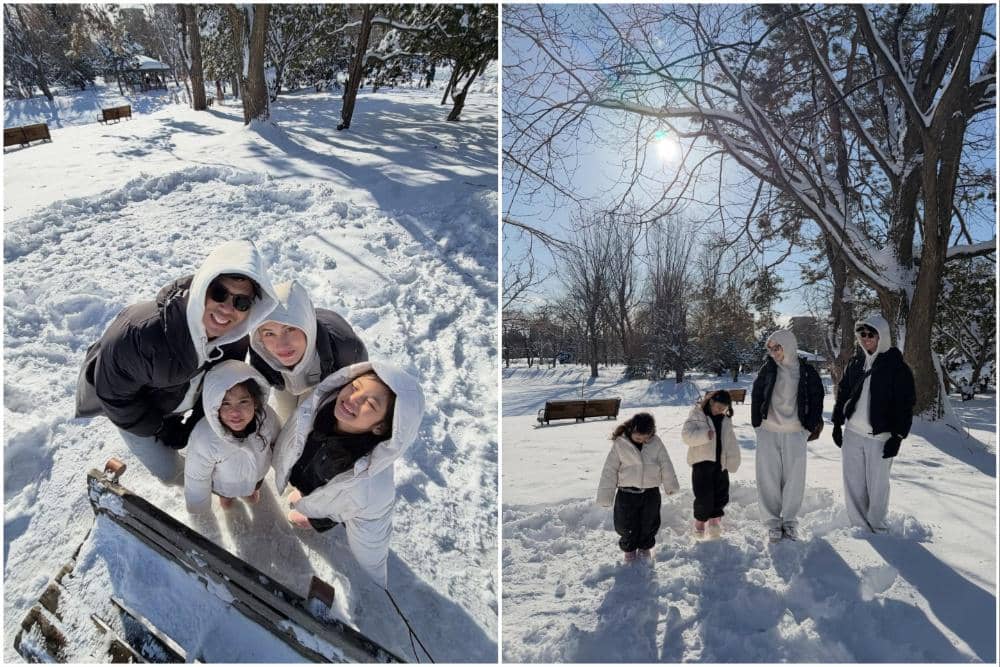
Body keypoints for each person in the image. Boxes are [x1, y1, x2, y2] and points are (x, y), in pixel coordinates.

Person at [75, 240, 278, 449]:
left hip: (178, 402)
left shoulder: (235, 338)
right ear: (203, 286)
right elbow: (115, 398)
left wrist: (196, 420)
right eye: (219, 293)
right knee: (168, 472)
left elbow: (220, 383)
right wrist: (160, 428)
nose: (226, 309)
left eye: (241, 302)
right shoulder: (139, 336)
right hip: (141, 415)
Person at [271, 361, 424, 587]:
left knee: (329, 506)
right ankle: (304, 493)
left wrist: (374, 569)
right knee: (307, 486)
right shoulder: (318, 408)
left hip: (334, 500)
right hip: (309, 472)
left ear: (380, 427)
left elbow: (372, 523)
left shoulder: (368, 477)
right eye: (355, 387)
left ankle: (314, 517)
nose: (353, 399)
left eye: (369, 404)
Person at [831, 315, 916, 533]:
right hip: (853, 433)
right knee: (853, 483)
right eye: (862, 334)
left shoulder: (897, 368)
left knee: (877, 486)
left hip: (880, 437)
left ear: (882, 336)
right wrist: (837, 423)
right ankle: (858, 526)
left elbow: (905, 405)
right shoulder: (856, 363)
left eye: (871, 334)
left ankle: (877, 526)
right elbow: (844, 393)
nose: (866, 339)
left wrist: (897, 437)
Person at [249, 280, 368, 423]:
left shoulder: (345, 352)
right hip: (287, 381)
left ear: (307, 326)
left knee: (307, 420)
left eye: (290, 329)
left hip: (325, 374)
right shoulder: (261, 353)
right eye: (269, 334)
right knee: (286, 413)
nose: (281, 345)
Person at [751, 330, 825, 542]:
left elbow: (817, 399)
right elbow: (757, 395)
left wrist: (808, 429)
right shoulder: (768, 370)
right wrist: (758, 425)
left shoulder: (807, 372)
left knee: (794, 479)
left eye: (778, 348)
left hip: (795, 433)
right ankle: (772, 522)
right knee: (768, 478)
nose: (774, 353)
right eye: (771, 349)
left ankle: (790, 521)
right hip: (768, 431)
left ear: (788, 346)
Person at [184, 361, 280, 513]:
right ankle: (226, 497)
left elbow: (277, 443)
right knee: (226, 498)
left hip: (257, 474)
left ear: (255, 402)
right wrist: (198, 506)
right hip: (224, 484)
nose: (235, 412)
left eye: (243, 401)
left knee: (253, 490)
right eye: (226, 403)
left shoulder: (267, 418)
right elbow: (196, 477)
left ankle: (250, 490)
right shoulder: (204, 437)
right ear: (214, 406)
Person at [596, 413, 679, 562]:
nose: (642, 441)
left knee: (649, 523)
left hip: (650, 493)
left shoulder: (656, 443)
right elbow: (610, 470)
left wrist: (670, 485)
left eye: (646, 438)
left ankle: (645, 548)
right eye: (638, 438)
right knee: (625, 525)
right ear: (631, 430)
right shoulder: (620, 444)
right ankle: (629, 551)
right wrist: (605, 496)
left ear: (652, 433)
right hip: (626, 494)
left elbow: (666, 463)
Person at [681, 390, 741, 539]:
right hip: (702, 463)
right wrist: (704, 435)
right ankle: (700, 523)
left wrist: (733, 459)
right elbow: (686, 436)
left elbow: (731, 441)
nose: (720, 411)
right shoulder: (698, 415)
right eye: (718, 407)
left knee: (721, 493)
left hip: (720, 463)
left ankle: (714, 522)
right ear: (712, 402)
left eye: (724, 408)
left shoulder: (725, 420)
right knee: (703, 496)